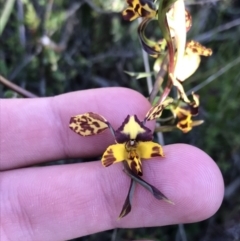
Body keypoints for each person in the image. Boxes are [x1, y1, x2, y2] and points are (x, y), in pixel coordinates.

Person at [0, 87, 224, 241]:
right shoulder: (116, 151)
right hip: (122, 145)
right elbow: (111, 157)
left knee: (139, 185)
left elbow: (154, 151)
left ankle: (146, 196)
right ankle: (143, 197)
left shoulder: (142, 149)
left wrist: (137, 151)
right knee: (134, 186)